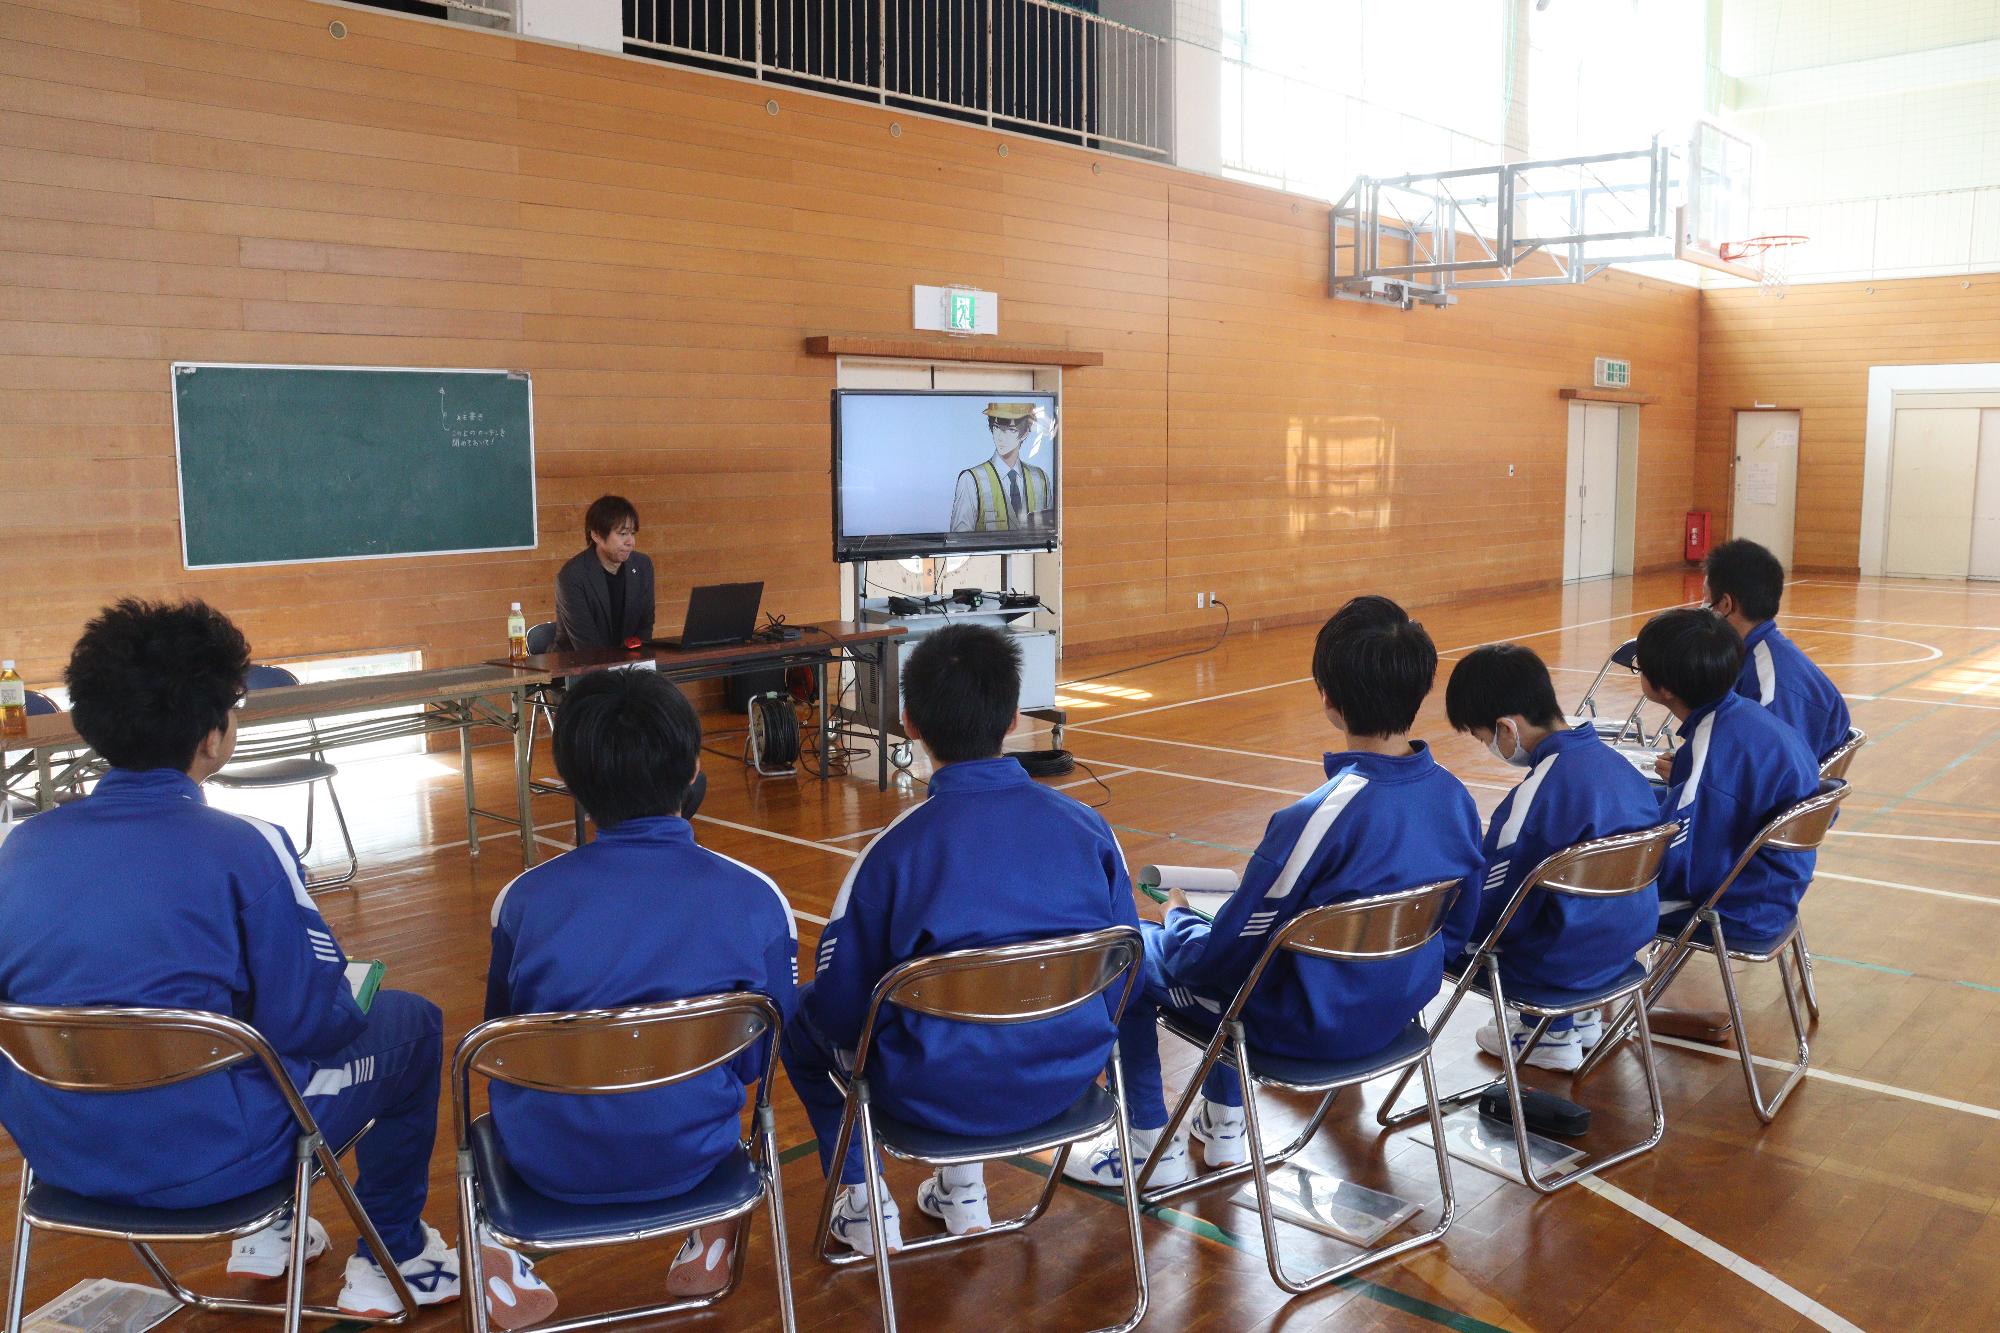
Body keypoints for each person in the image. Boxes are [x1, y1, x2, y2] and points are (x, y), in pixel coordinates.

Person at [0, 600, 548, 1327]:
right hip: (213, 1158)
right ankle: (395, 1250)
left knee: (234, 1028)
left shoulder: (20, 848)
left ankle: (272, 1234)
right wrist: (348, 990)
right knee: (409, 1025)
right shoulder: (244, 846)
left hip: (64, 1151)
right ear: (215, 734)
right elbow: (310, 1020)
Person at [1068, 596, 1484, 1187]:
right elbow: (1458, 928)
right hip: (1399, 1016)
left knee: (1132, 953)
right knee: (1240, 956)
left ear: (1328, 700)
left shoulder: (1315, 818)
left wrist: (1183, 917)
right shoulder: (1456, 798)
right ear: (1421, 690)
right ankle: (1223, 1123)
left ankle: (1143, 1147)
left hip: (1307, 1028)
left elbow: (1223, 956)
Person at [780, 623, 1139, 1254]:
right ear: (1010, 719)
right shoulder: (1090, 831)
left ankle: (865, 1202)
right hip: (1070, 1082)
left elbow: (839, 1012)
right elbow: (1123, 974)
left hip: (932, 1096)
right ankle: (961, 1189)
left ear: (910, 724)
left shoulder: (892, 855)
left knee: (798, 1018)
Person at [486, 669, 797, 1298]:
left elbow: (501, 1044)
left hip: (547, 1163)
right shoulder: (757, 899)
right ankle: (714, 1229)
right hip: (698, 1154)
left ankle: (499, 1256)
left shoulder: (523, 902)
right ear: (692, 775)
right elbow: (762, 1055)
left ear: (572, 785)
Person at [1444, 644, 1663, 1072]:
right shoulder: (1623, 766)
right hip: (1623, 948)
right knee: (1574, 899)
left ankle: (1544, 1033)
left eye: (1485, 738)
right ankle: (1579, 1019)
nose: (1490, 746)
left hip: (1556, 967)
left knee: (1457, 932)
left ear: (1507, 728)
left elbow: (1494, 908)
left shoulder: (1534, 795)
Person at [1636, 608, 1820, 940]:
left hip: (1737, 907)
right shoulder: (1747, 715)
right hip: (1776, 889)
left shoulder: (1712, 750)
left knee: (1594, 901)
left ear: (1664, 688)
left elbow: (1684, 866)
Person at [1703, 538, 1852, 763]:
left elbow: (1768, 771)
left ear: (1725, 604)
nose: (1703, 610)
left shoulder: (1768, 684)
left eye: (1706, 602)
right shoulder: (1757, 654)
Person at [554, 494, 656, 650]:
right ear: (596, 535)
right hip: (579, 667)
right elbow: (587, 645)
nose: (631, 542)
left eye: (632, 534)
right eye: (622, 534)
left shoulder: (642, 565)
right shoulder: (572, 576)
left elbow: (645, 625)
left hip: (629, 664)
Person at [947, 403, 1055, 534]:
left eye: (1011, 430)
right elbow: (959, 541)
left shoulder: (1040, 478)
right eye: (997, 427)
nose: (1000, 437)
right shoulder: (970, 480)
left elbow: (1049, 534)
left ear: (1025, 433)